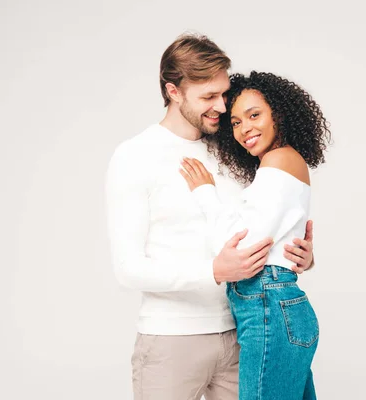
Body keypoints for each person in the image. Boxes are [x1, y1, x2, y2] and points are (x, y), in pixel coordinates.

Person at [105, 34, 315, 400]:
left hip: (243, 333)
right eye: (207, 97)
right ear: (173, 91)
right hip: (172, 341)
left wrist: (296, 255)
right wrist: (215, 272)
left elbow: (261, 220)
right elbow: (128, 268)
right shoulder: (135, 155)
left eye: (223, 93)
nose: (221, 106)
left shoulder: (235, 150)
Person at [179, 71, 330, 400]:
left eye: (254, 115)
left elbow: (244, 245)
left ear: (280, 114)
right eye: (235, 122)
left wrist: (205, 192)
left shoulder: (279, 159)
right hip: (279, 305)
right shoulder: (280, 163)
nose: (244, 128)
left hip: (268, 306)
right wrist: (305, 257)